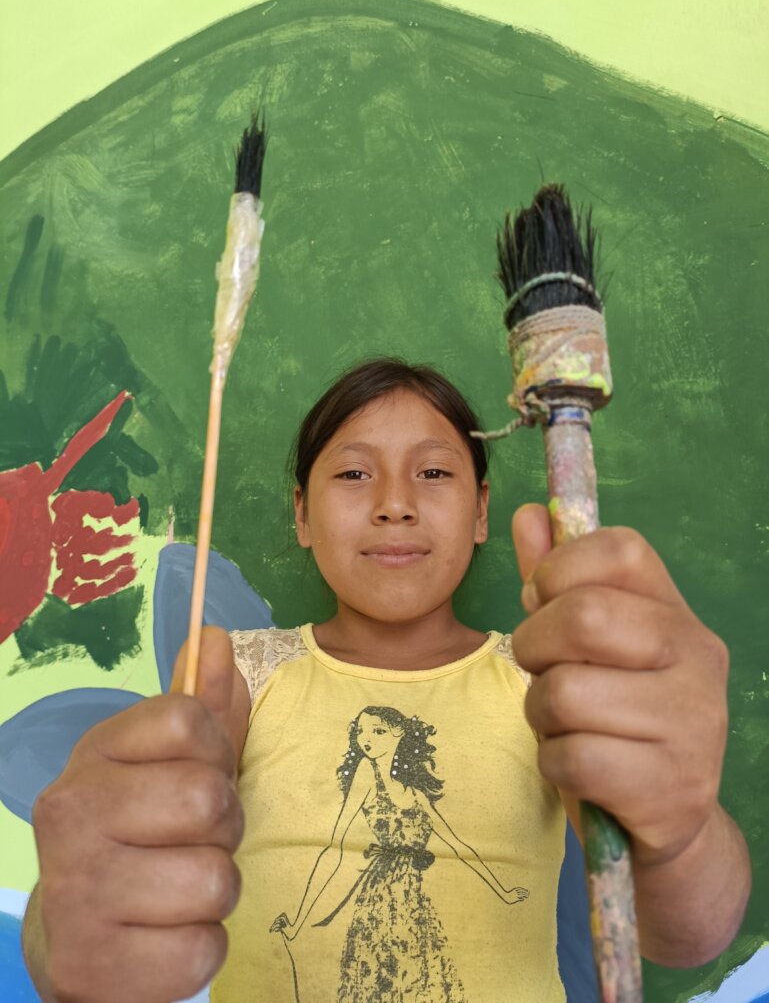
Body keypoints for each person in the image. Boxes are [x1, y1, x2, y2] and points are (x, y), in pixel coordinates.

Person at [22, 358, 751, 1003]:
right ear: (302, 515)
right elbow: (141, 846)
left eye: (433, 473)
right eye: (352, 474)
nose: (394, 503)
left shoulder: (547, 683)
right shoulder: (237, 674)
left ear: (481, 512)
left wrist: (681, 833)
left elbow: (687, 933)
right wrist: (71, 927)